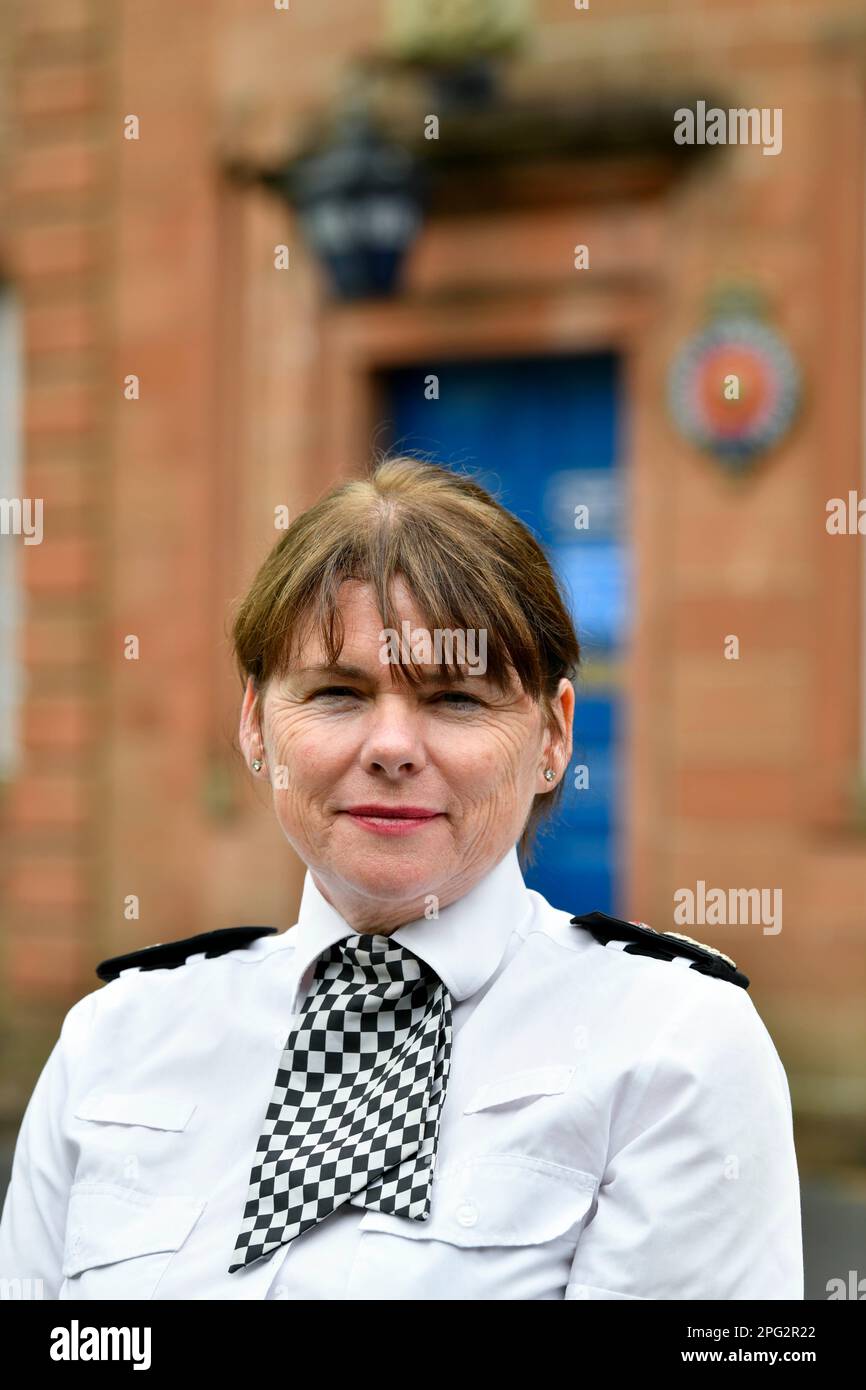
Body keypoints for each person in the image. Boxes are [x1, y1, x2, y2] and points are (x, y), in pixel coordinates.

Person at [0, 456, 803, 1300]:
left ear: (554, 737)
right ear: (255, 724)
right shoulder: (115, 1043)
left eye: (456, 698)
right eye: (339, 692)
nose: (390, 747)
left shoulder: (673, 1048)